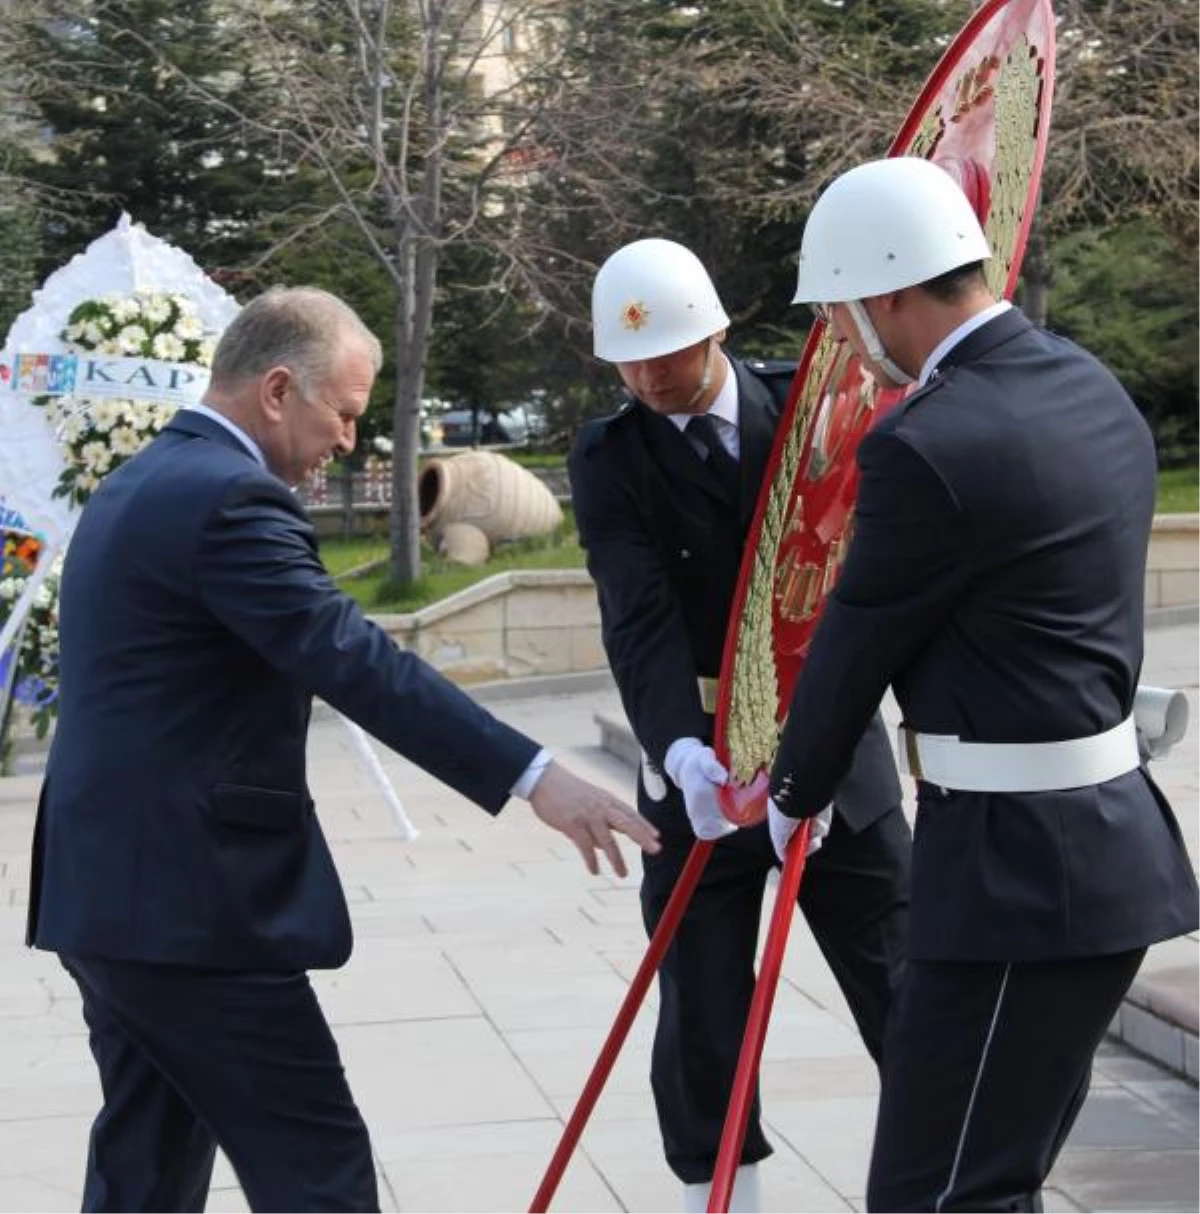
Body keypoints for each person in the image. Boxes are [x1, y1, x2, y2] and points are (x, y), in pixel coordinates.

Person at [25, 285, 661, 1214]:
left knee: (146, 1166)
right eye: (348, 413)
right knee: (316, 1170)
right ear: (279, 389)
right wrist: (535, 777)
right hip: (194, 911)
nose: (352, 442)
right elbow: (351, 658)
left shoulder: (146, 476)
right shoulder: (227, 498)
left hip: (114, 898)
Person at [766, 156, 1200, 1213]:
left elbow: (855, 642)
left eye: (842, 312)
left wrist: (791, 796)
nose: (845, 337)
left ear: (885, 294)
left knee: (940, 1194)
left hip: (1015, 875)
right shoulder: (1089, 387)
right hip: (1103, 851)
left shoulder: (927, 442)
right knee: (992, 1178)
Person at [569, 239, 912, 1214]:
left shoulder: (812, 416)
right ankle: (723, 1193)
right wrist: (680, 754)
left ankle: (953, 1178)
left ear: (717, 330)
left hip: (831, 743)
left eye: (666, 355)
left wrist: (822, 739)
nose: (646, 376)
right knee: (703, 1006)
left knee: (905, 978)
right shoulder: (611, 456)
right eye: (627, 363)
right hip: (700, 762)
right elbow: (636, 614)